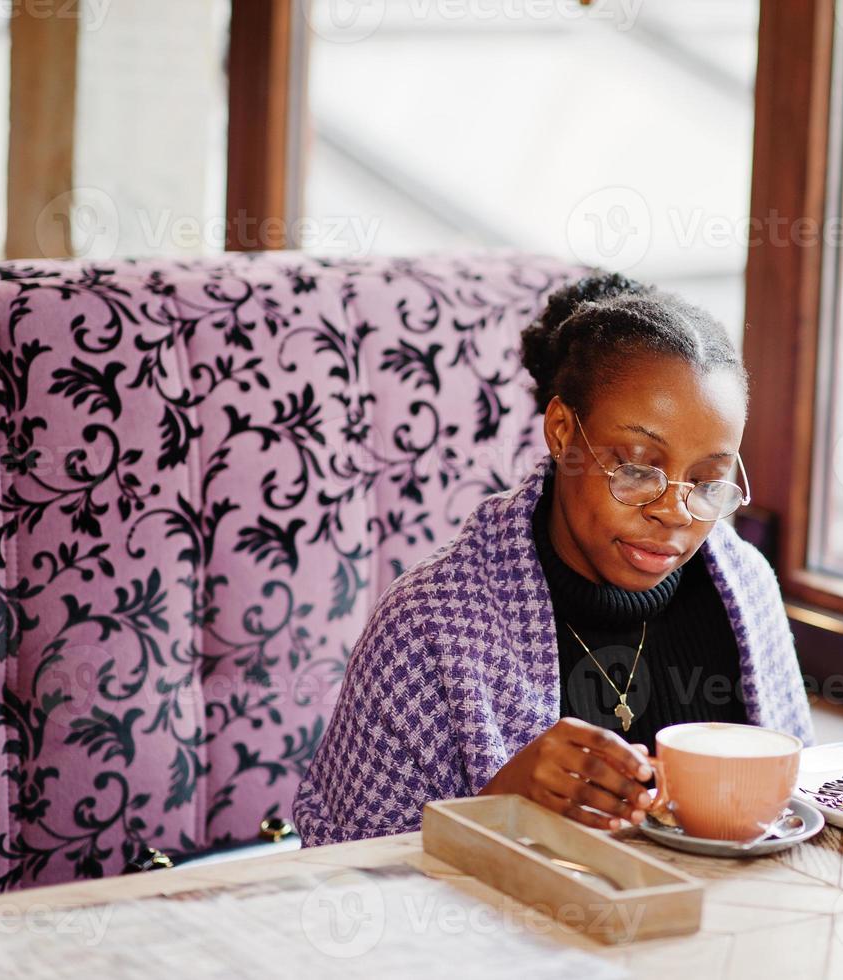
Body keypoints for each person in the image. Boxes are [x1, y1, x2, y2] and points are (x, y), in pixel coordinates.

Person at [292, 272, 814, 846]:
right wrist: (496, 808)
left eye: (709, 481)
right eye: (638, 468)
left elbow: (798, 805)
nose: (674, 513)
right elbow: (347, 876)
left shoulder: (745, 587)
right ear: (562, 431)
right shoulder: (428, 627)